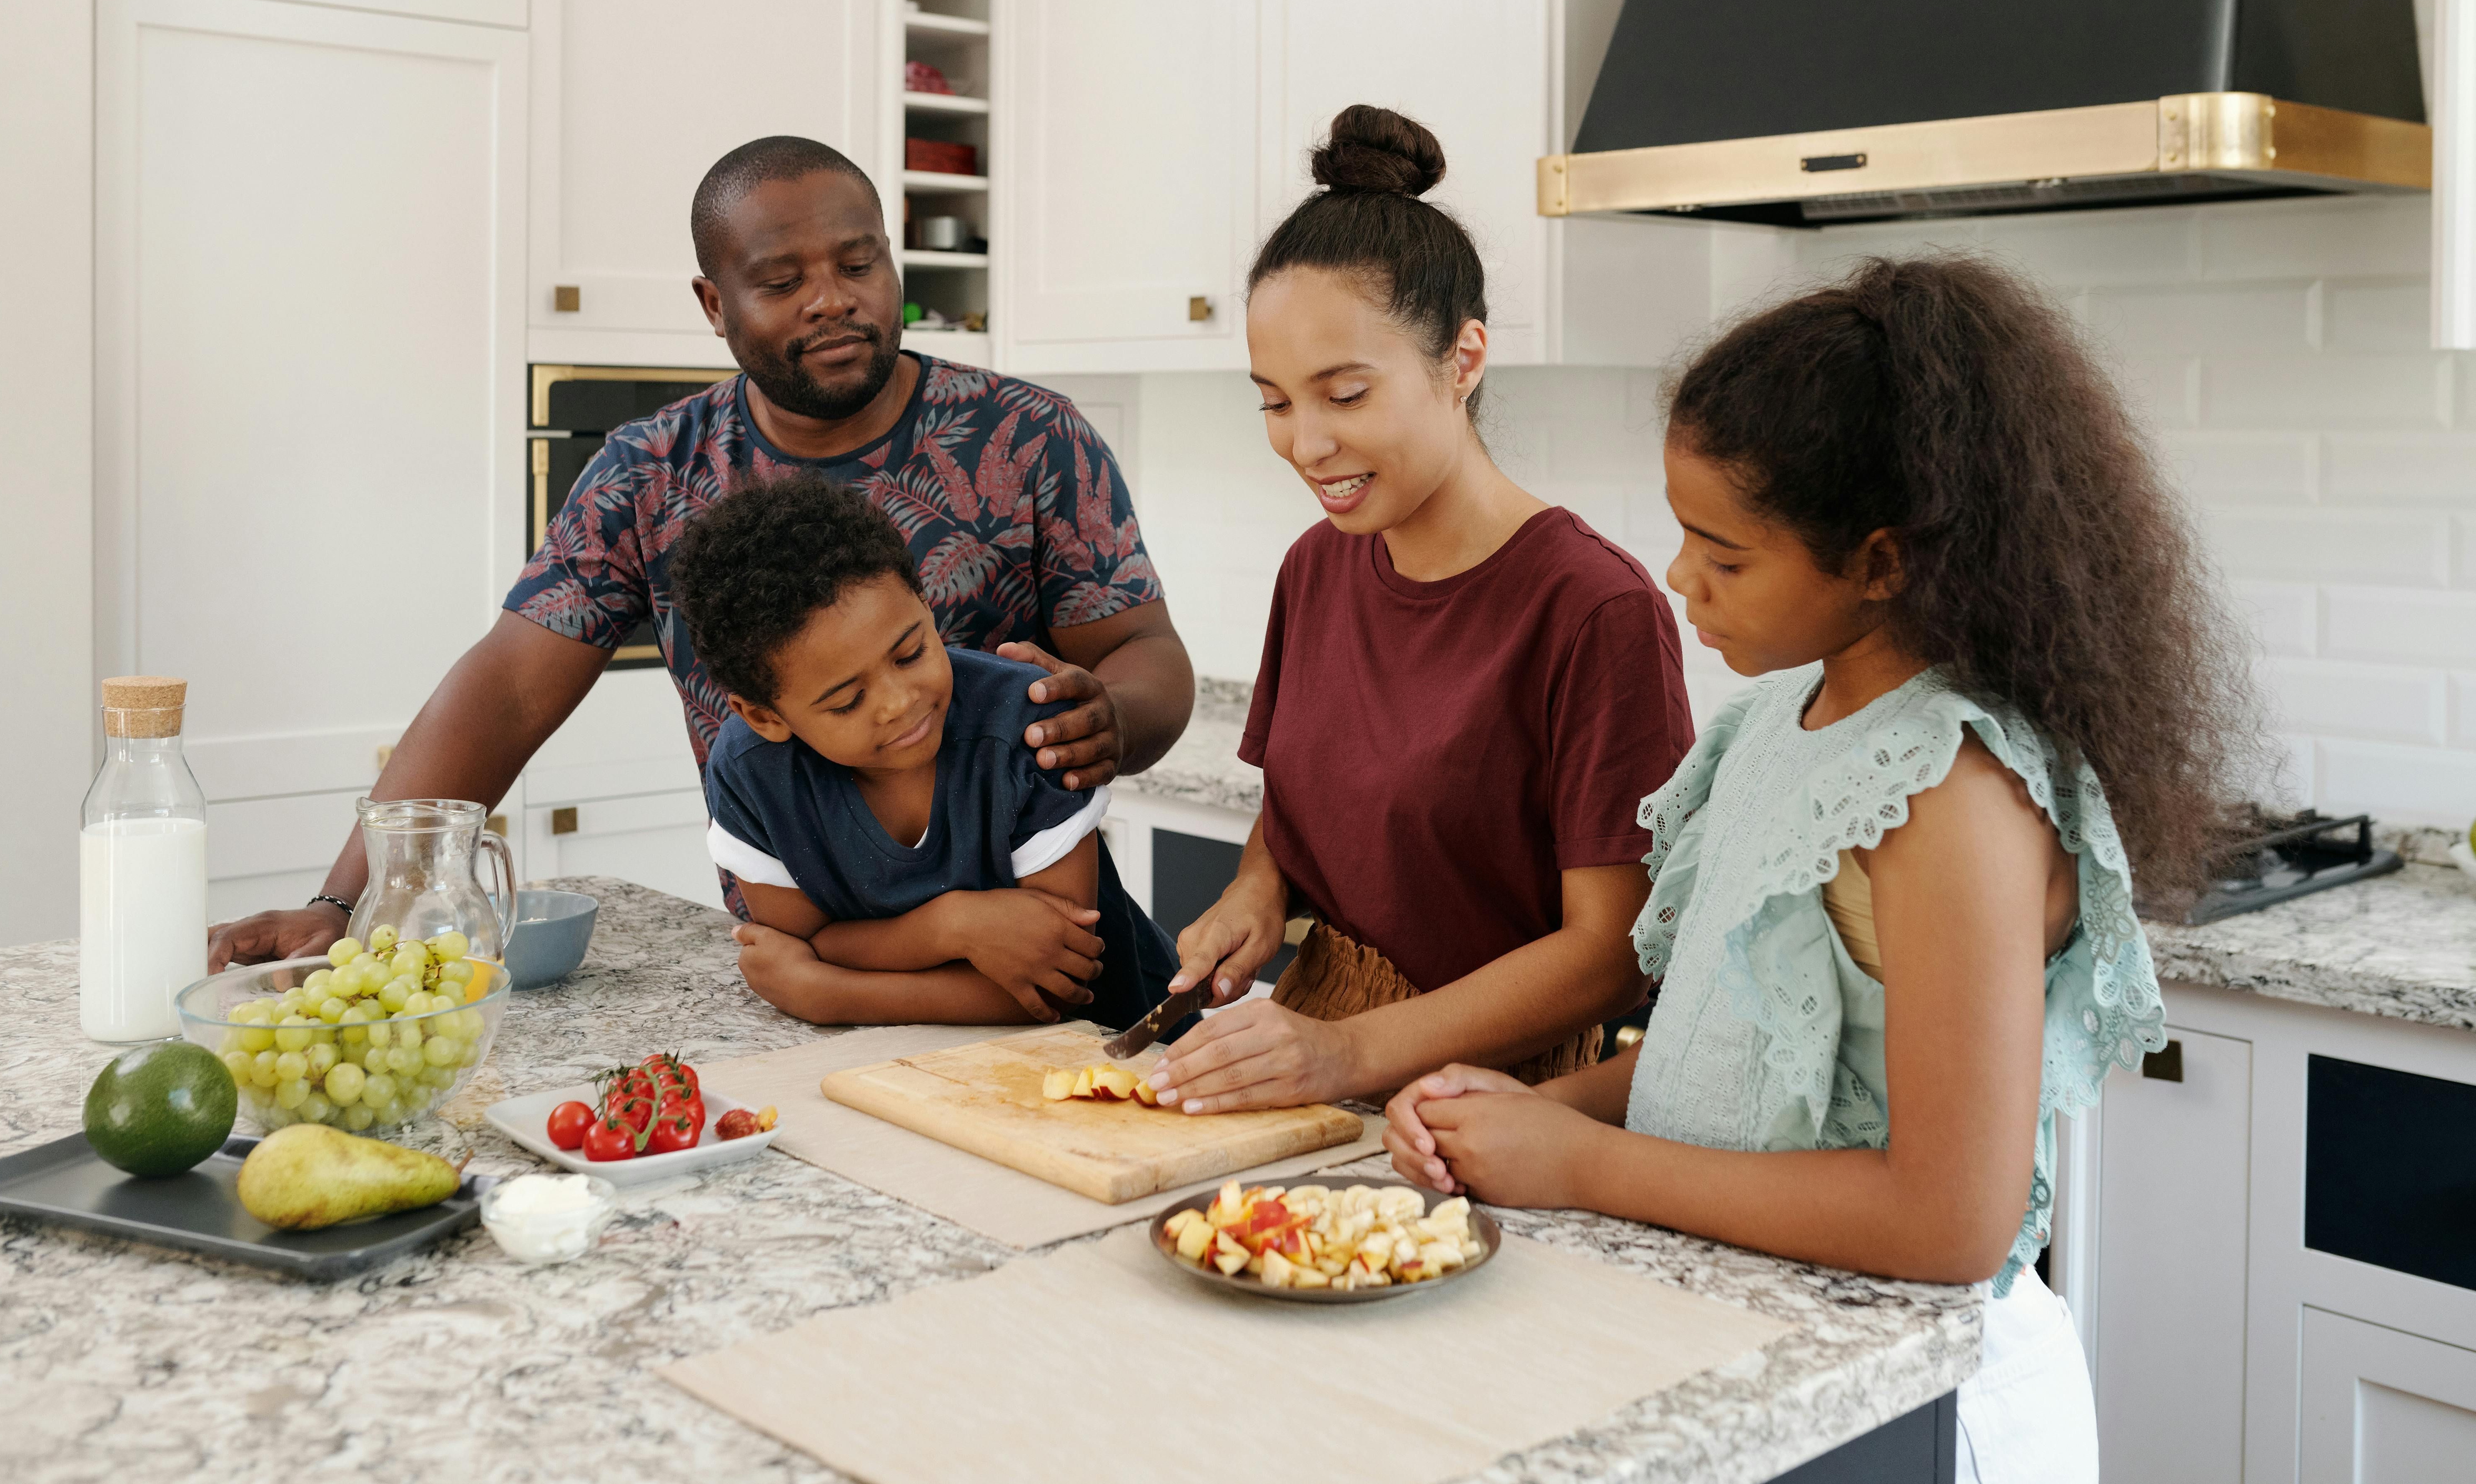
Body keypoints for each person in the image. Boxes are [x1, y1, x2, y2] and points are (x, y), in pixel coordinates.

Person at [1384, 255, 2265, 1484]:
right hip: (1767, 1358)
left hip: (1926, 1413)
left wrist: (1579, 1166)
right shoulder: (1779, 724)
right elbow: (1742, 1048)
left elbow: (1947, 1219)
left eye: (1725, 558)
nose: (1681, 582)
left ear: (1883, 562)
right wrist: (1535, 1113)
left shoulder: (1952, 793)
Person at [208, 136, 1192, 972]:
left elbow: (1147, 655)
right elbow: (508, 686)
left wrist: (1110, 713)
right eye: (781, 281)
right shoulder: (650, 473)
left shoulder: (1028, 437)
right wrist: (346, 907)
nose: (831, 301)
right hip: (812, 962)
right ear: (714, 304)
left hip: (1033, 954)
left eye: (859, 265)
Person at [1142, 105, 1694, 1115]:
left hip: (1502, 1093)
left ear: (1464, 358)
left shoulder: (1594, 608)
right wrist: (1258, 890)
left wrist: (1347, 1053)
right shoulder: (1317, 566)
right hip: (1318, 1040)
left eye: (1344, 394)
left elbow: (1610, 955)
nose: (1305, 444)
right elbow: (1304, 802)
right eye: (1274, 401)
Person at [669, 475, 1182, 1030]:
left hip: (1121, 1051)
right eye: (847, 701)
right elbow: (803, 941)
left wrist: (829, 994)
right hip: (909, 1070)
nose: (899, 703)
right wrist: (953, 924)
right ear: (767, 718)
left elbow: (1056, 992)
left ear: (924, 602)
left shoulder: (1029, 732)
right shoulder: (754, 774)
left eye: (911, 653)